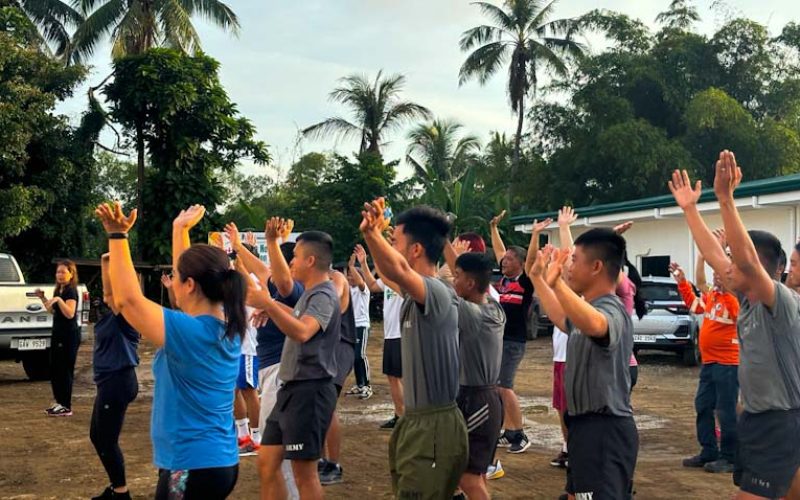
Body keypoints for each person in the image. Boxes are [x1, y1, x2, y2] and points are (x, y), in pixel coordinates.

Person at [669, 151, 800, 499]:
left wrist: (726, 199)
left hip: (780, 421)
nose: (725, 270)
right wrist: (690, 210)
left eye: (734, 265)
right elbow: (716, 254)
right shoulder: (747, 301)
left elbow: (746, 261)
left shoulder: (782, 303)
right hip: (760, 420)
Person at [95, 202, 245, 499]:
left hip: (192, 468)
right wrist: (179, 230)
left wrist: (118, 235)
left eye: (175, 277)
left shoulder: (190, 332)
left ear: (189, 285)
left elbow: (128, 300)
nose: (171, 282)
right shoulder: (220, 324)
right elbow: (188, 277)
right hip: (213, 462)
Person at [360, 199, 467, 499]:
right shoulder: (415, 294)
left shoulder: (435, 290)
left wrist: (372, 235)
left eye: (395, 241)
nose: (390, 246)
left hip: (433, 424)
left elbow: (395, 268)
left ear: (416, 250)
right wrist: (373, 237)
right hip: (419, 420)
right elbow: (391, 271)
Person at [532, 230, 639, 500]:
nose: (568, 267)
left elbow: (597, 325)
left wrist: (558, 285)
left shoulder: (611, 309)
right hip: (584, 428)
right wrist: (537, 277)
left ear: (596, 267)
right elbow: (560, 317)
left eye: (574, 260)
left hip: (604, 431)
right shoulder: (586, 310)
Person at [252, 229, 340, 500]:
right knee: (267, 462)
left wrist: (269, 303)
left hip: (309, 390)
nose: (291, 262)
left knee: (305, 475)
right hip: (291, 390)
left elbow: (303, 331)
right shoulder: (310, 295)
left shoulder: (324, 294)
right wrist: (274, 308)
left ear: (311, 261)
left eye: (296, 257)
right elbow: (301, 317)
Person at [226, 220, 302, 499]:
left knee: (279, 452)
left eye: (291, 260)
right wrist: (236, 247)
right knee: (276, 455)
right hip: (274, 369)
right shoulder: (283, 286)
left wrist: (272, 243)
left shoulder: (294, 288)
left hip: (278, 370)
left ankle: (290, 494)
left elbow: (271, 275)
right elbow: (264, 269)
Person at [443, 240, 505, 500]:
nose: (453, 279)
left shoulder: (472, 314)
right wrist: (444, 239)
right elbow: (465, 272)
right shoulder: (493, 305)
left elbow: (429, 286)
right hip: (481, 398)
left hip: (478, 400)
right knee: (475, 474)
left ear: (469, 284)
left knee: (467, 478)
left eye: (456, 277)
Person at [670, 253, 740, 474]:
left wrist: (713, 255)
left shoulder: (734, 300)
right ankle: (709, 450)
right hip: (710, 363)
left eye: (721, 273)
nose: (716, 277)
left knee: (726, 411)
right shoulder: (713, 297)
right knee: (703, 406)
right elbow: (693, 301)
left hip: (728, 364)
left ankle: (730, 457)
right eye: (715, 273)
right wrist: (682, 280)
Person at [90, 254, 140, 500]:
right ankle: (116, 487)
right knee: (96, 436)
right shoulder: (109, 315)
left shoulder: (125, 316)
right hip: (108, 382)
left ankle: (121, 492)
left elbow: (116, 294)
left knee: (107, 440)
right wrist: (105, 262)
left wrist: (119, 263)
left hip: (118, 381)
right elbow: (109, 293)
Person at [489, 210, 539, 453]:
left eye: (509, 259)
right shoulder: (505, 281)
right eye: (504, 259)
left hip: (513, 341)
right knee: (496, 387)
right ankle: (506, 432)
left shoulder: (526, 282)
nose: (504, 261)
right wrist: (493, 229)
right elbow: (499, 252)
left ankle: (519, 434)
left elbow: (530, 260)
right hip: (499, 340)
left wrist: (536, 235)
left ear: (520, 263)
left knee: (504, 386)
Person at [356, 243, 405, 430]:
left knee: (404, 377)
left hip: (403, 334)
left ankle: (408, 415)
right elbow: (373, 285)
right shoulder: (389, 277)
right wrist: (364, 264)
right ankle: (399, 414)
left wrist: (378, 252)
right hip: (391, 333)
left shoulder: (403, 277)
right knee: (392, 377)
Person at [318, 267, 353, 486]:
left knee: (327, 406)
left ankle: (333, 464)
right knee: (317, 405)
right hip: (324, 348)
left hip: (340, 346)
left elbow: (335, 297)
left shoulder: (334, 278)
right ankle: (319, 460)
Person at [36, 259, 80, 417]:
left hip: (69, 335)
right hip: (57, 333)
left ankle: (66, 406)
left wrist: (59, 300)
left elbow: (70, 313)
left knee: (65, 370)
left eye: (63, 272)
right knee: (55, 368)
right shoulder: (58, 290)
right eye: (58, 272)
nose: (60, 275)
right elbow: (52, 311)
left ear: (71, 274)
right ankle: (59, 402)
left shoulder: (70, 291)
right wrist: (43, 298)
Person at [345, 252, 373, 399]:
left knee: (359, 355)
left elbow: (360, 281)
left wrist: (351, 266)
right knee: (353, 357)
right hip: (351, 327)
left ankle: (367, 385)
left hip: (362, 326)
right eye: (348, 275)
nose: (350, 277)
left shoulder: (364, 290)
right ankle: (359, 384)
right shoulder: (348, 290)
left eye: (353, 275)